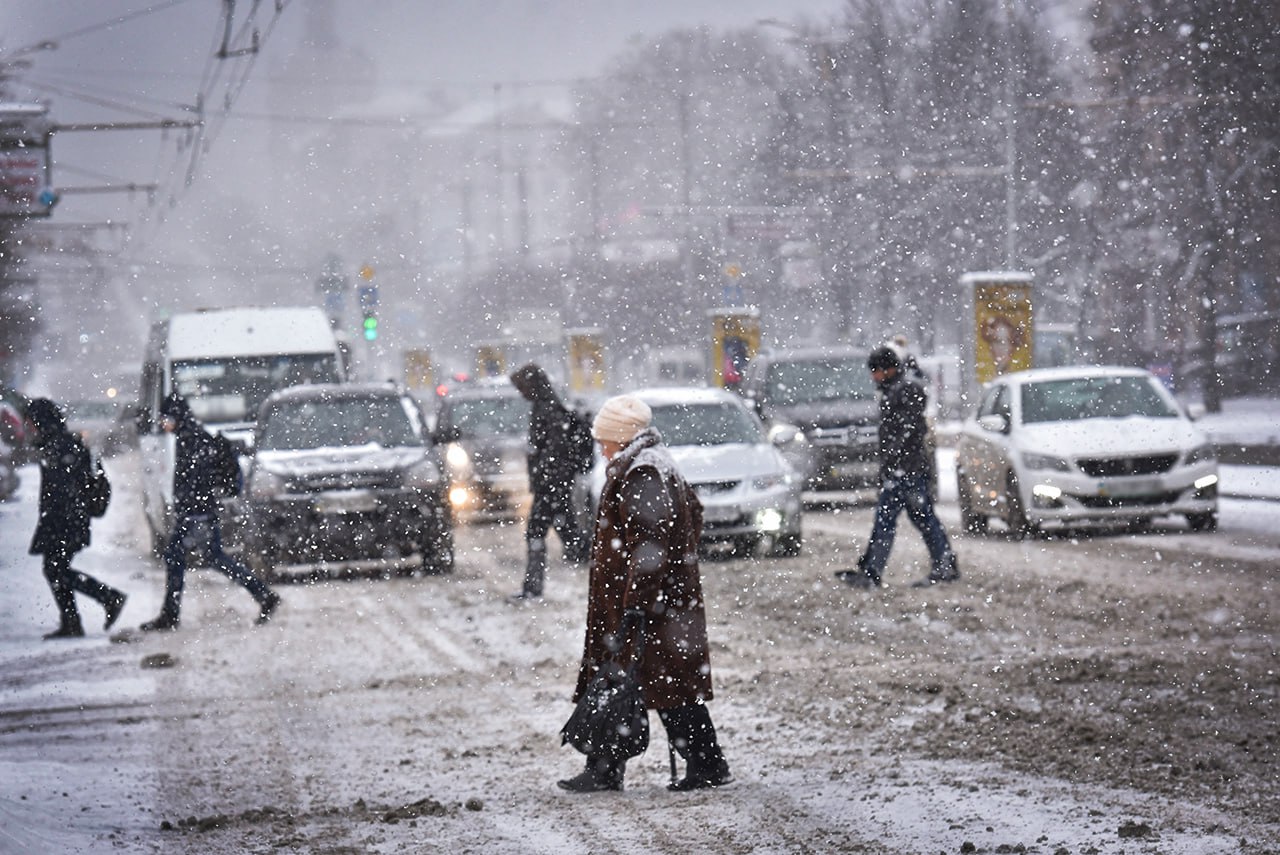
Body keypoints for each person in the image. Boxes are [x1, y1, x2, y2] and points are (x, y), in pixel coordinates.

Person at [559, 395, 731, 793]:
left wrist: (638, 601)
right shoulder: (652, 464)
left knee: (661, 688)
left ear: (620, 438)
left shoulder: (643, 473)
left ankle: (705, 763)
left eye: (604, 439)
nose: (600, 448)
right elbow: (692, 516)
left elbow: (650, 543)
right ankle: (607, 768)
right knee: (634, 684)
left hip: (645, 606)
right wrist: (676, 570)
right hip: (654, 601)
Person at [140, 393, 279, 631]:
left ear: (176, 416)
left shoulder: (193, 439)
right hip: (197, 511)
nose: (164, 424)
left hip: (197, 514)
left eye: (166, 419)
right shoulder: (191, 436)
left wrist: (191, 510)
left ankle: (170, 615)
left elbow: (196, 480)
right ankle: (263, 594)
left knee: (183, 557)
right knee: (209, 558)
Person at [840, 346, 960, 589]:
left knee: (893, 520)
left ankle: (874, 571)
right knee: (918, 518)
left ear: (888, 369)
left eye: (876, 371)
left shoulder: (903, 391)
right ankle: (941, 563)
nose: (873, 377)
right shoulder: (898, 391)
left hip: (905, 471)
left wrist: (894, 461)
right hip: (903, 470)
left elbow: (907, 432)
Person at [26, 398, 127, 639]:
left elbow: (66, 490)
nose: (29, 426)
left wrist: (59, 520)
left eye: (31, 421)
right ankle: (75, 620)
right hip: (64, 520)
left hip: (65, 521)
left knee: (55, 569)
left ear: (42, 421)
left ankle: (107, 598)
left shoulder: (61, 447)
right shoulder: (59, 444)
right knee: (55, 570)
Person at [508, 363, 588, 600]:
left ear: (533, 386)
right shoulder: (545, 406)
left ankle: (533, 588)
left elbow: (555, 451)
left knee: (536, 532)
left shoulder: (548, 409)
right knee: (568, 533)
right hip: (553, 485)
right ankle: (598, 561)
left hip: (551, 486)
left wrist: (543, 473)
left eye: (522, 387)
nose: (520, 393)